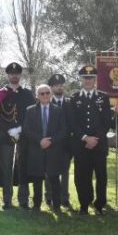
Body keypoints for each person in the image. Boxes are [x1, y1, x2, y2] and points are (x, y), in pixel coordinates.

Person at [69, 64, 113, 215]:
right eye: (85, 78)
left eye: (91, 78)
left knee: (101, 176)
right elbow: (72, 122)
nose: (88, 81)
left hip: (99, 145)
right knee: (82, 176)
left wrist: (95, 139)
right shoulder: (74, 98)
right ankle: (84, 204)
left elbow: (107, 121)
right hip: (81, 145)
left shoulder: (104, 97)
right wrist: (85, 138)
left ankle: (100, 204)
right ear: (80, 79)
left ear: (95, 80)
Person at [0, 62, 35, 210]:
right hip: (5, 136)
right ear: (8, 75)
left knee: (23, 167)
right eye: (11, 74)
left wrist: (21, 129)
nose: (14, 76)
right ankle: (7, 199)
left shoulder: (27, 94)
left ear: (20, 75)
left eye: (17, 74)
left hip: (24, 136)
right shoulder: (1, 93)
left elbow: (32, 114)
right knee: (6, 167)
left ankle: (23, 199)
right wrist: (10, 129)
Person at [22, 84, 67, 212]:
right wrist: (39, 140)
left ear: (51, 94)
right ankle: (36, 205)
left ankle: (57, 206)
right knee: (37, 180)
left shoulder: (58, 110)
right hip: (36, 150)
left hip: (54, 150)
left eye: (47, 93)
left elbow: (63, 130)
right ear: (37, 96)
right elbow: (26, 129)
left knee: (54, 179)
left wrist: (51, 140)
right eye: (42, 93)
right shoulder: (30, 110)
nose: (45, 95)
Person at [45, 73, 71, 209]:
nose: (59, 88)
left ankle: (64, 197)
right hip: (51, 144)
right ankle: (49, 196)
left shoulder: (70, 103)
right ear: (51, 88)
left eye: (61, 85)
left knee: (65, 172)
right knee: (49, 172)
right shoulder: (47, 103)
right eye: (56, 86)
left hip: (66, 145)